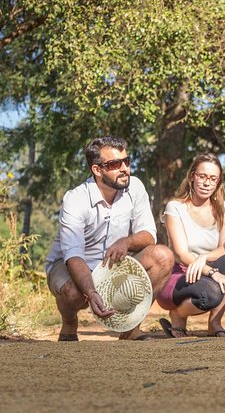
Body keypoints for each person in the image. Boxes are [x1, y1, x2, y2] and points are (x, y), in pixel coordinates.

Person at [45, 136, 173, 341]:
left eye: (127, 161)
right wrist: (91, 292)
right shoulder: (76, 199)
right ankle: (69, 323)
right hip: (72, 265)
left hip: (115, 265)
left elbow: (149, 235)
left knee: (163, 256)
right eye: (115, 164)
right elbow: (73, 255)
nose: (124, 168)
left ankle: (131, 328)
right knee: (73, 294)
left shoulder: (136, 187)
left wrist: (126, 242)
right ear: (97, 170)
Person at [156, 153, 225, 338]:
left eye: (213, 179)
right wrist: (213, 273)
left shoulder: (224, 208)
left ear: (218, 182)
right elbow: (181, 253)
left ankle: (214, 322)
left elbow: (224, 249)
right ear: (192, 176)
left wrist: (203, 258)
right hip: (179, 275)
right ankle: (177, 314)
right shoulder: (175, 207)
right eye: (202, 176)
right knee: (210, 294)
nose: (206, 183)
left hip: (206, 271)